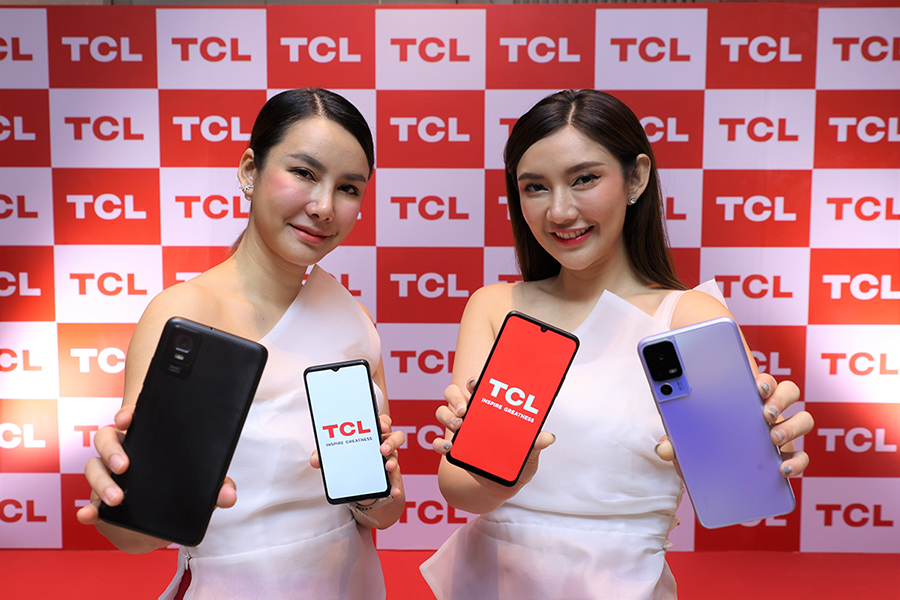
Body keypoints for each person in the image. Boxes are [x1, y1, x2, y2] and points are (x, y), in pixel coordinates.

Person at [421, 89, 813, 600]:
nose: (559, 211)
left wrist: (755, 459)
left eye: (584, 179)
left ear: (636, 178)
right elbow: (458, 488)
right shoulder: (496, 306)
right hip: (490, 581)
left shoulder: (690, 317)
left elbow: (743, 493)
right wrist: (508, 474)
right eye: (535, 187)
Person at [76, 88, 406, 600]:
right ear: (250, 170)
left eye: (348, 188)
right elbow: (136, 536)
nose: (324, 207)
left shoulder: (353, 317)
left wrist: (374, 490)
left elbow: (383, 515)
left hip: (351, 583)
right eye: (304, 173)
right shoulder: (186, 312)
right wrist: (119, 498)